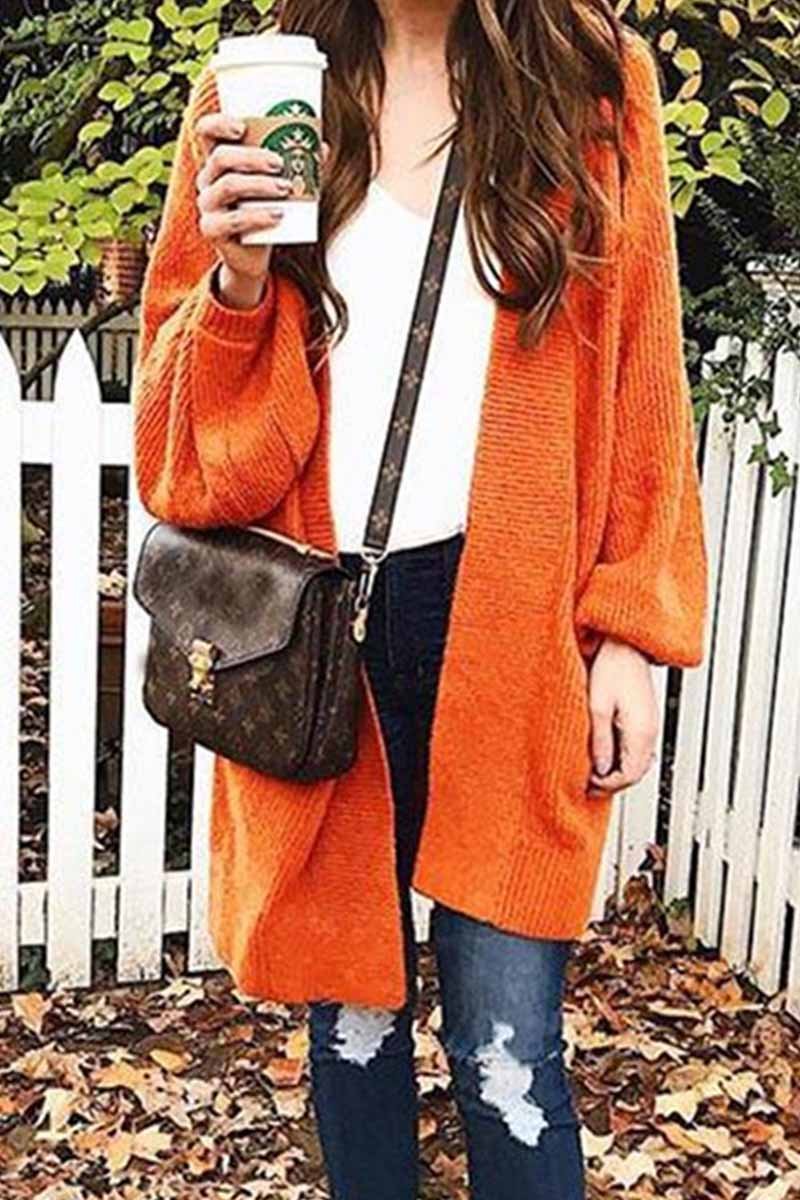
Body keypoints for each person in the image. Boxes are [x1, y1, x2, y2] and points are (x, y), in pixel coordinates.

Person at [132, 0, 708, 1196]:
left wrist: (629, 631)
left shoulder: (592, 85)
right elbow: (194, 470)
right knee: (350, 1028)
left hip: (508, 623)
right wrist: (238, 278)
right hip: (313, 631)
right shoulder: (259, 96)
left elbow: (641, 371)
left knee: (506, 1047)